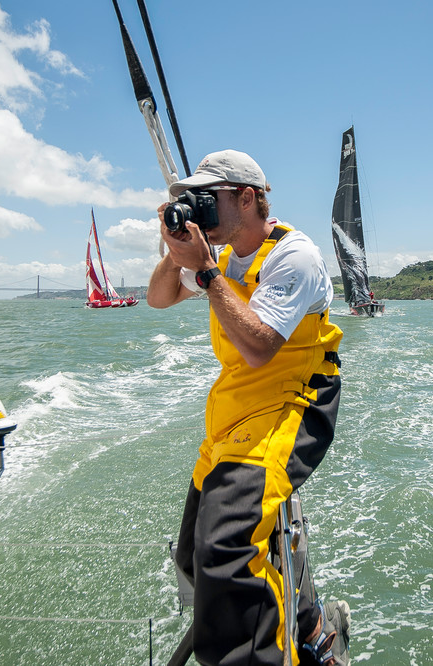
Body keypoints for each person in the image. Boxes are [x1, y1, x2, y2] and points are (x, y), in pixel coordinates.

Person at [148, 149, 351, 665]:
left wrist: (209, 276)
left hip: (292, 401)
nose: (200, 211)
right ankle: (306, 626)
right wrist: (178, 253)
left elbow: (260, 347)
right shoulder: (220, 257)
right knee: (194, 558)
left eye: (207, 200)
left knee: (227, 550)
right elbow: (158, 298)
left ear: (247, 198)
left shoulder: (293, 256)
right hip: (234, 412)